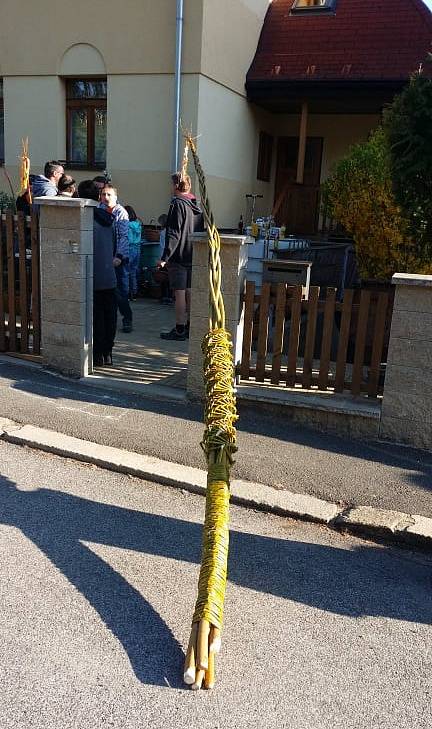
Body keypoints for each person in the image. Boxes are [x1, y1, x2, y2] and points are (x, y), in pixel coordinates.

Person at [78, 179, 117, 367]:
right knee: (109, 316)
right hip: (109, 274)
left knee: (96, 318)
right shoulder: (108, 217)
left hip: (91, 275)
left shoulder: (83, 216)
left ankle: (98, 354)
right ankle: (108, 353)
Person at [159, 173, 203, 340]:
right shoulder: (195, 204)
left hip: (178, 255)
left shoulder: (177, 204)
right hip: (193, 254)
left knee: (179, 293)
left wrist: (165, 256)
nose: (171, 188)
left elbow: (174, 232)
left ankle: (179, 329)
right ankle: (192, 327)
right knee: (190, 292)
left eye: (172, 184)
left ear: (176, 186)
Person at [99, 185, 133, 333]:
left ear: (115, 197)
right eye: (103, 194)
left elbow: (124, 237)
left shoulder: (121, 212)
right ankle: (106, 319)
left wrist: (119, 256)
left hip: (119, 258)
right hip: (103, 257)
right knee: (104, 291)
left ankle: (127, 319)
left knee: (120, 292)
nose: (106, 197)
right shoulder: (98, 210)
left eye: (109, 195)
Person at [124, 205, 142, 300]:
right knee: (133, 271)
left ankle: (126, 293)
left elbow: (127, 238)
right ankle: (134, 293)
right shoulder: (138, 224)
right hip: (137, 249)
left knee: (125, 271)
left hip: (129, 248)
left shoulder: (126, 224)